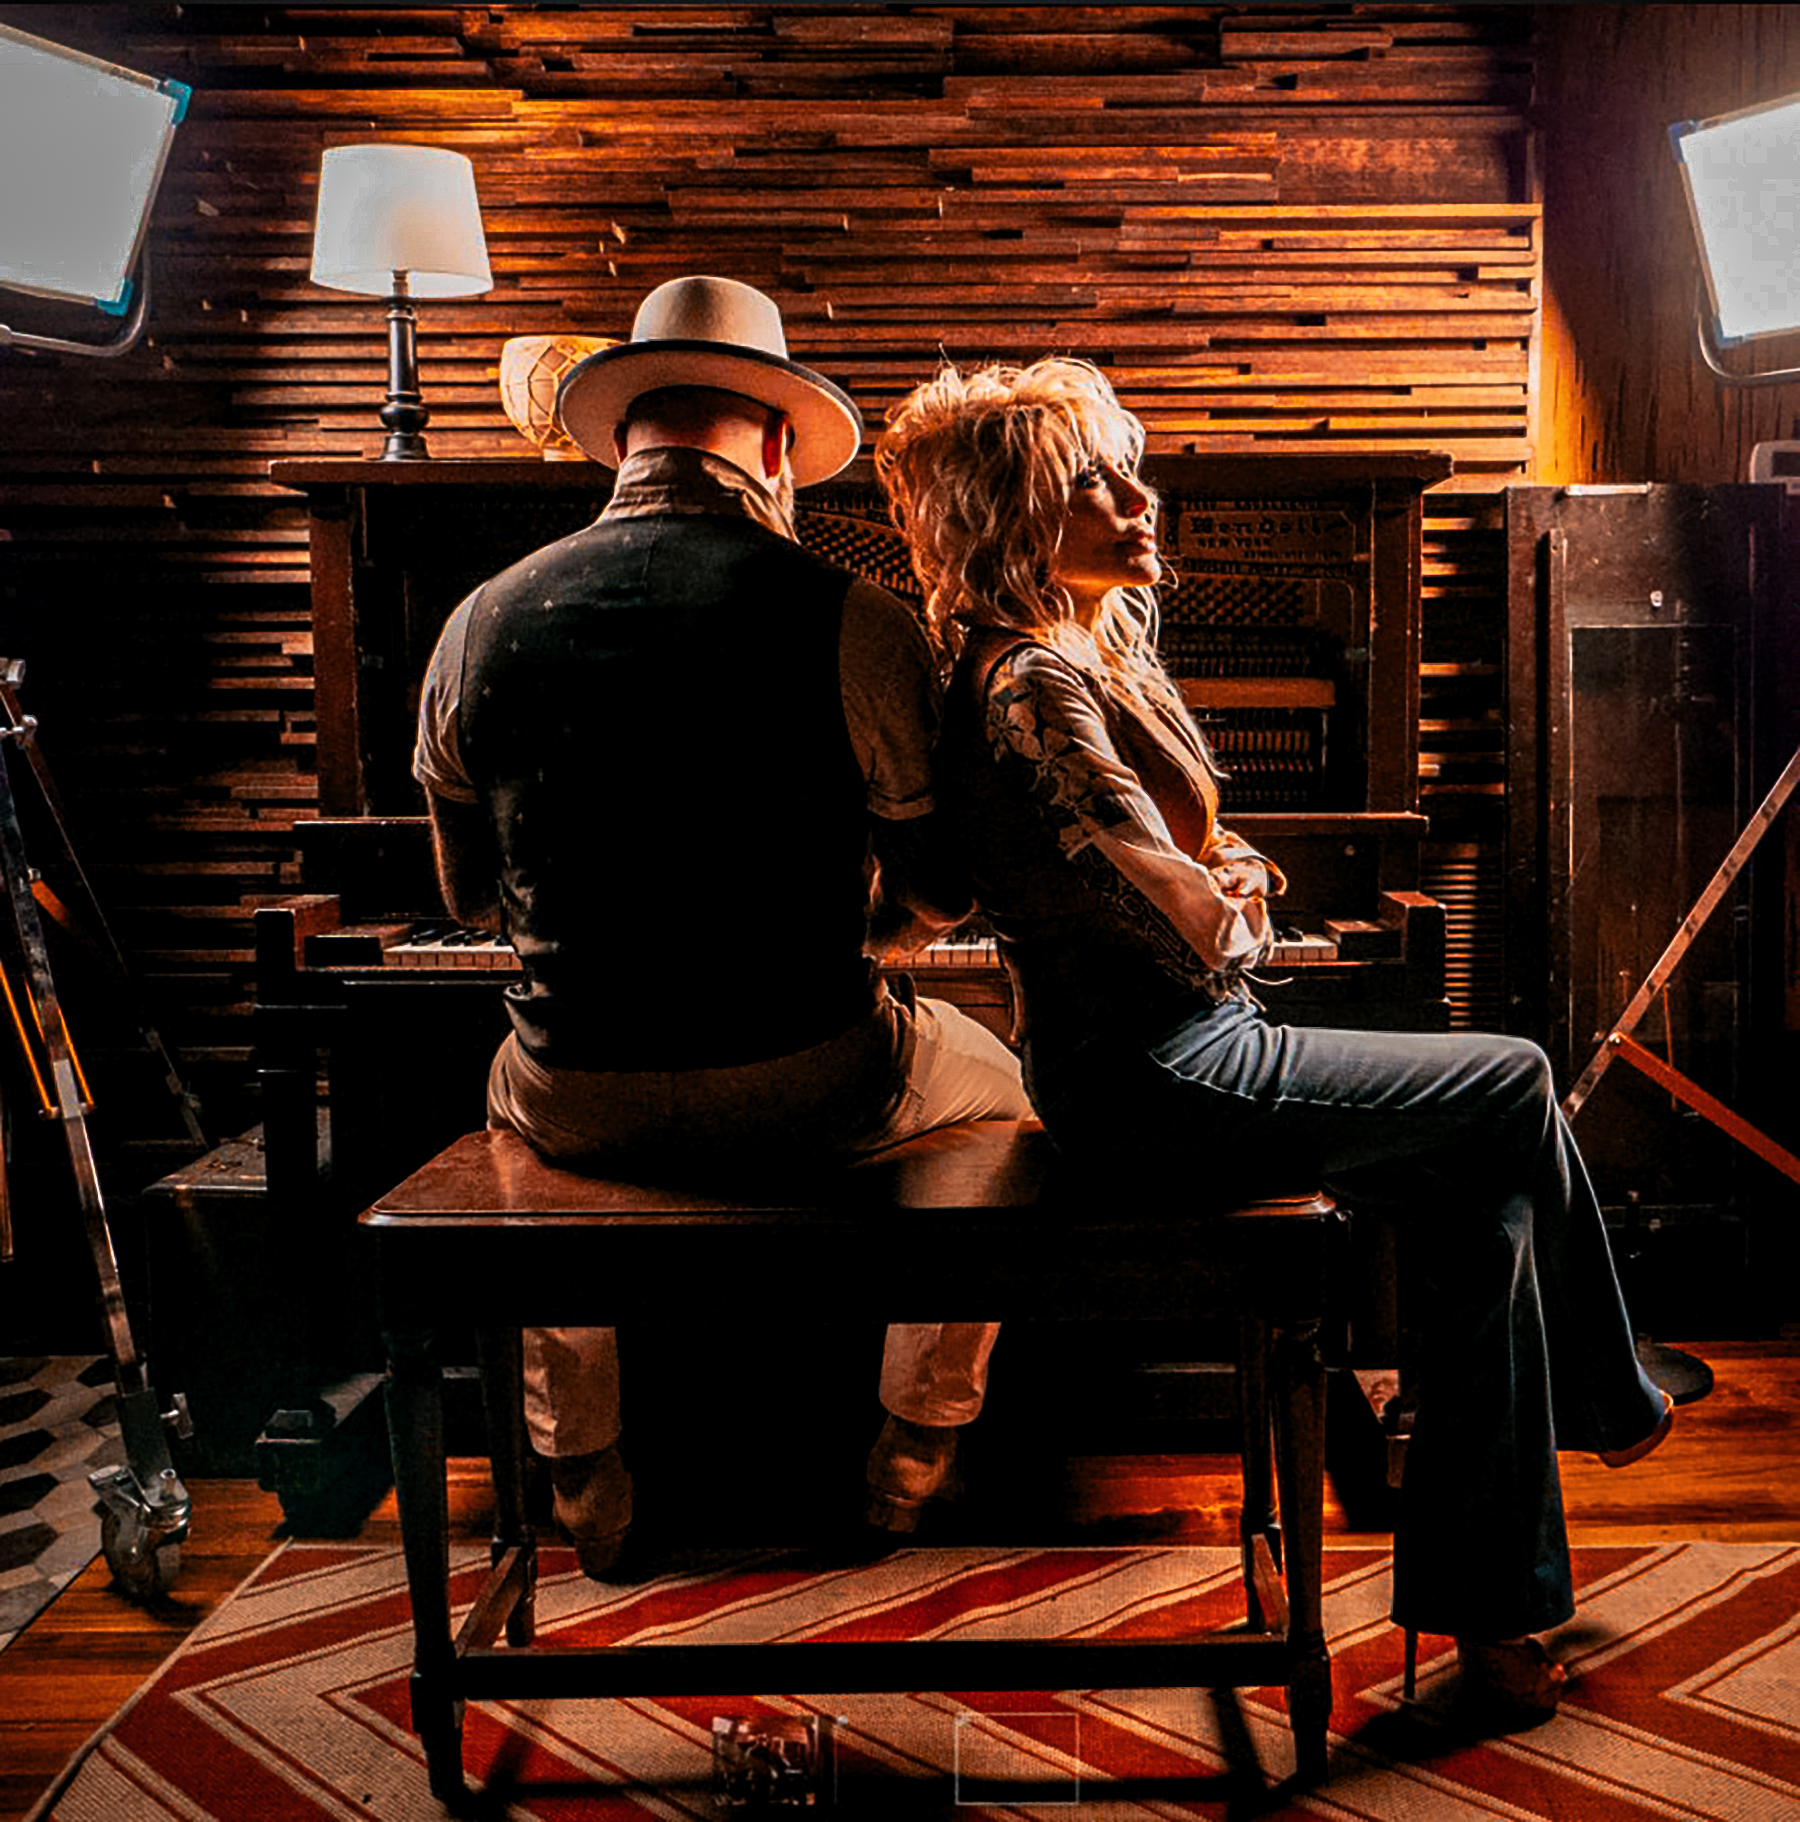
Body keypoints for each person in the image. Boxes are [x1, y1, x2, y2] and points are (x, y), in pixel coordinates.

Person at [873, 355, 1675, 1724]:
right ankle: (1612, 1400)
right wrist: (1232, 893)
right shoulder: (1031, 689)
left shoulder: (1076, 658)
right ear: (1016, 519)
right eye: (1097, 483)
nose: (1141, 500)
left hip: (1176, 1051)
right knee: (1517, 1074)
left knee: (1482, 1208)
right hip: (1158, 1076)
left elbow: (1182, 866)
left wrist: (1224, 877)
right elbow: (1200, 922)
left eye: (1132, 472)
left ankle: (1493, 1620)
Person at [411, 276, 1029, 1577]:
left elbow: (467, 900)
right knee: (1009, 1097)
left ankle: (586, 1479)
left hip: (580, 1091)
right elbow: (940, 891)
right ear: (775, 445)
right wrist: (861, 926)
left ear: (627, 436)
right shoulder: (854, 617)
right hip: (808, 1084)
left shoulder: (476, 621)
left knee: (515, 1128)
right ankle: (913, 1448)